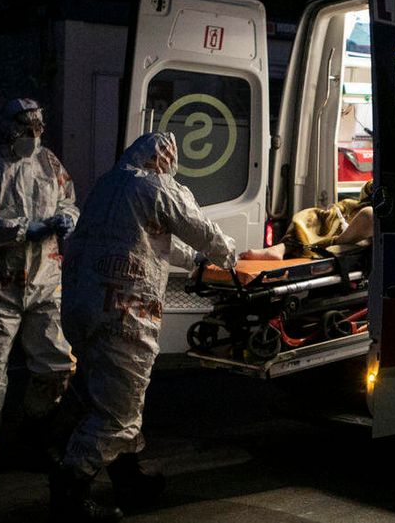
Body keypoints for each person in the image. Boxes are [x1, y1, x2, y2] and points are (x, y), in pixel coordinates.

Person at [52, 131, 236, 522]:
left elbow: (154, 237)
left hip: (84, 310)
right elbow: (197, 227)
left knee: (112, 396)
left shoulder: (110, 185)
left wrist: (196, 263)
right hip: (123, 312)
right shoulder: (155, 187)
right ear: (164, 160)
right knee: (118, 410)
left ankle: (128, 478)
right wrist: (228, 255)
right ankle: (69, 489)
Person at [0, 98, 79, 492]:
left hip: (43, 282)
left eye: (38, 128)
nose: (34, 136)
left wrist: (66, 220)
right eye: (27, 129)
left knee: (56, 367)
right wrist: (22, 229)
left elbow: (70, 201)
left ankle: (33, 435)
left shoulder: (49, 164)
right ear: (9, 128)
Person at [240, 180, 373, 261]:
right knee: (315, 216)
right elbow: (367, 190)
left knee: (369, 215)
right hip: (361, 205)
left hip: (372, 217)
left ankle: (336, 242)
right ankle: (281, 248)